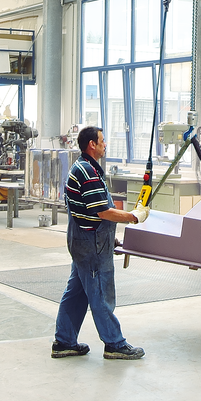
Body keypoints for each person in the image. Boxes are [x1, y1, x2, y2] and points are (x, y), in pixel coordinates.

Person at [52, 126, 149, 359]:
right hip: (90, 245)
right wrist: (133, 216)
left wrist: (109, 238)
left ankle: (64, 341)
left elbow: (89, 210)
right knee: (101, 294)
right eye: (102, 141)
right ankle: (114, 344)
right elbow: (103, 212)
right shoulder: (87, 172)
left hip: (83, 241)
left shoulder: (86, 167)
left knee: (76, 294)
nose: (105, 145)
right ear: (92, 145)